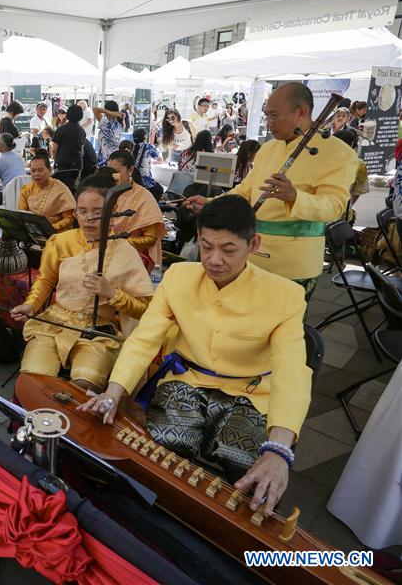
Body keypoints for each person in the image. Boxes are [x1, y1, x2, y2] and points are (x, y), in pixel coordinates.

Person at [81, 195, 310, 515]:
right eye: (206, 246)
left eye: (228, 249)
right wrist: (113, 391)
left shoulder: (285, 296)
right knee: (160, 451)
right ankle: (154, 519)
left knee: (249, 469)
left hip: (250, 391)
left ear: (253, 243)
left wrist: (280, 450)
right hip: (188, 381)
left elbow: (291, 371)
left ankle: (239, 536)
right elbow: (144, 339)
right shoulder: (178, 278)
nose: (214, 259)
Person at [185, 82, 357, 299]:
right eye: (267, 116)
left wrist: (295, 197)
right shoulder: (268, 148)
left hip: (293, 263)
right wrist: (212, 204)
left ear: (301, 112)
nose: (269, 123)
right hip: (249, 255)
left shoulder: (338, 153)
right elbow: (246, 191)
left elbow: (335, 207)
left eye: (274, 116)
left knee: (281, 327)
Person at [11, 174, 153, 389]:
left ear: (113, 214)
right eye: (83, 211)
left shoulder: (125, 252)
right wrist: (31, 305)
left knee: (83, 386)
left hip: (99, 333)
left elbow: (144, 310)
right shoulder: (60, 242)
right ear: (75, 211)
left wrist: (112, 293)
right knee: (33, 380)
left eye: (98, 213)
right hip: (54, 322)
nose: (89, 219)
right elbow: (45, 281)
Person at [104, 151, 166, 270]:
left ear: (130, 170)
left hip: (133, 253)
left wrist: (118, 244)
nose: (113, 176)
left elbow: (151, 238)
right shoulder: (104, 192)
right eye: (109, 172)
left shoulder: (144, 197)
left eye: (117, 172)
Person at [18, 150, 76, 232]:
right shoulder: (27, 189)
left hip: (57, 233)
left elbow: (69, 217)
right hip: (33, 232)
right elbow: (22, 214)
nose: (36, 174)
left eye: (40, 170)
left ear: (49, 170)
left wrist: (52, 228)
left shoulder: (60, 189)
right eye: (33, 171)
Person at [334, 129, 369, 220]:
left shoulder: (320, 159)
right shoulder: (359, 164)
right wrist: (348, 206)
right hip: (342, 214)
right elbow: (358, 191)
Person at [50, 104, 87, 189]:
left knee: (60, 189)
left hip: (62, 163)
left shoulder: (61, 129)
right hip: (77, 164)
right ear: (81, 116)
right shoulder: (82, 131)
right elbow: (82, 150)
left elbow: (54, 148)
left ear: (68, 115)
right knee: (74, 189)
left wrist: (55, 160)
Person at [93, 100, 125, 165]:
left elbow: (94, 109)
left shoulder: (106, 124)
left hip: (105, 161)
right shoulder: (119, 125)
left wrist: (110, 112)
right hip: (115, 159)